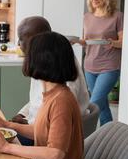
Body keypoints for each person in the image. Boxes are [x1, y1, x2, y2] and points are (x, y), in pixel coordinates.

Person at [0, 32, 91, 159]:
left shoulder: (61, 101)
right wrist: (8, 125)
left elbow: (55, 154)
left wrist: (7, 147)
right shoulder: (53, 94)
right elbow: (43, 130)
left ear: (42, 61)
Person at [11, 16, 90, 146]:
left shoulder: (60, 71)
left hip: (53, 134)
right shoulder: (43, 61)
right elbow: (37, 100)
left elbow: (58, 111)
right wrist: (22, 115)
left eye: (22, 38)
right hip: (38, 128)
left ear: (38, 40)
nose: (18, 43)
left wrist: (26, 125)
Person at [78, 0, 124, 126]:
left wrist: (113, 43)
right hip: (90, 65)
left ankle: (80, 133)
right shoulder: (87, 17)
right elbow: (87, 40)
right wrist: (79, 41)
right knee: (103, 106)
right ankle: (110, 134)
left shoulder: (117, 16)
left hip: (109, 66)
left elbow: (123, 42)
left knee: (93, 104)